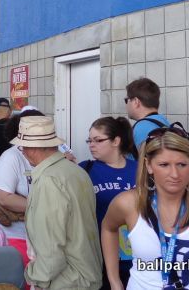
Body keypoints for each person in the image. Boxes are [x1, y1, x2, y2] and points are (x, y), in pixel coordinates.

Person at [101, 128, 189, 290]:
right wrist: (114, 280)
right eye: (164, 165)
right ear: (149, 165)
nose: (174, 174)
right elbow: (108, 228)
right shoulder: (128, 204)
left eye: (182, 164)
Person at [13, 116, 102, 290]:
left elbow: (51, 249)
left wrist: (35, 278)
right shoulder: (76, 170)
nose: (21, 151)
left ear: (31, 149)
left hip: (67, 282)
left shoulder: (48, 180)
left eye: (22, 147)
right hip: (85, 276)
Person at [79, 117, 138, 290]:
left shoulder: (139, 169)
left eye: (98, 140)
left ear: (116, 141)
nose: (91, 145)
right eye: (89, 140)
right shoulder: (85, 169)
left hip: (136, 253)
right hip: (99, 254)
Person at [0, 108, 43, 269]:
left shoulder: (48, 155)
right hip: (16, 237)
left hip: (42, 237)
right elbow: (4, 197)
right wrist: (43, 207)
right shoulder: (11, 157)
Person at [125, 77, 170, 148]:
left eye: (126, 100)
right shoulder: (164, 121)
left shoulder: (141, 128)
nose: (126, 104)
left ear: (136, 102)